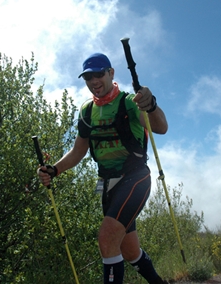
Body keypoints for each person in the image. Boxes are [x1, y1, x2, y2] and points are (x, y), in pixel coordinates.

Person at [37, 53, 169, 284]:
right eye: (88, 77)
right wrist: (54, 170)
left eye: (99, 74)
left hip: (135, 178)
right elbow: (78, 150)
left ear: (111, 73)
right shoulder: (87, 111)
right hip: (107, 185)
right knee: (129, 252)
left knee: (107, 239)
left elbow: (161, 127)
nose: (94, 80)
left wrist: (152, 105)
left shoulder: (129, 101)